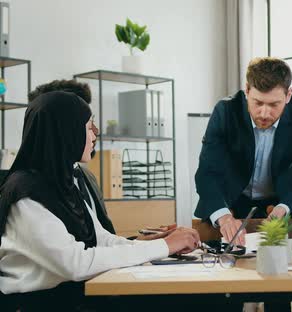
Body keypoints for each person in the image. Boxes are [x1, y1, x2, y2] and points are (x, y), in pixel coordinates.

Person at [0, 91, 200, 311]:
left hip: (72, 296)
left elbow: (102, 239)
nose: (95, 133)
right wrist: (165, 245)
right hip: (38, 304)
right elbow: (75, 263)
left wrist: (163, 246)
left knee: (194, 299)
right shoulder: (25, 193)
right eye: (88, 126)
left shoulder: (62, 183)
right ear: (65, 132)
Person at [194, 57, 292, 245]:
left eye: (273, 105)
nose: (264, 113)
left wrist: (284, 208)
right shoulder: (226, 112)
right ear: (247, 91)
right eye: (258, 102)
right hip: (231, 204)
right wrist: (224, 217)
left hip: (283, 205)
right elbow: (206, 174)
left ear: (288, 95)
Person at [28, 79, 174, 240]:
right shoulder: (33, 190)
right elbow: (73, 255)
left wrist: (146, 242)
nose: (94, 131)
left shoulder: (87, 178)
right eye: (84, 123)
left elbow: (102, 240)